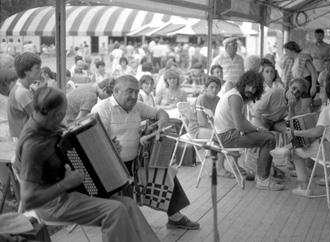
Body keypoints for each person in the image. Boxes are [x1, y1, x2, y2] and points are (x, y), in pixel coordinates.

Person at [14, 86, 159, 242]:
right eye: (64, 113)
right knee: (115, 210)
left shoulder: (49, 127)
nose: (64, 118)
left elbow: (75, 156)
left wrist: (108, 149)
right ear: (57, 115)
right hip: (53, 203)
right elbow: (29, 199)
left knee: (128, 204)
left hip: (73, 192)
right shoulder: (34, 146)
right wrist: (65, 183)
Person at [91, 75, 200, 230]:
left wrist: (160, 124)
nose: (134, 96)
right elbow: (94, 145)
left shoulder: (137, 106)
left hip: (135, 162)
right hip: (111, 169)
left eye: (136, 92)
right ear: (116, 90)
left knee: (165, 171)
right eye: (130, 92)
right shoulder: (102, 109)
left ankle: (175, 218)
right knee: (127, 217)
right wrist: (109, 149)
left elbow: (161, 113)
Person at [214, 70, 284, 191]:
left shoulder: (237, 95)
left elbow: (242, 123)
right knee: (269, 138)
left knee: (266, 136)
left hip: (227, 134)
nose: (251, 90)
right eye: (249, 85)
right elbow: (240, 125)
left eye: (255, 88)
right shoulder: (235, 97)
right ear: (243, 83)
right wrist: (257, 129)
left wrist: (256, 130)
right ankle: (262, 179)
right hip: (227, 137)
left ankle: (261, 175)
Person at [288, 79, 330, 195]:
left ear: (327, 94)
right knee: (314, 143)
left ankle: (304, 188)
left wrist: (297, 133)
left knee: (295, 153)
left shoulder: (328, 110)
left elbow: (317, 132)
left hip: (329, 152)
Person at [7, 52, 41, 138]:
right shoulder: (22, 93)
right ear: (27, 72)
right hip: (26, 139)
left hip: (23, 137)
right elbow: (39, 118)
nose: (41, 71)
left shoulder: (20, 87)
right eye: (37, 68)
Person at [250, 61, 287, 131]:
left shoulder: (278, 85)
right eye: (267, 72)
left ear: (274, 74)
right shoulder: (258, 87)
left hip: (278, 118)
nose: (270, 73)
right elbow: (254, 106)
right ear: (262, 74)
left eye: (272, 72)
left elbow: (284, 96)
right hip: (263, 117)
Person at [283, 41, 318, 113]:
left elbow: (313, 72)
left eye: (286, 51)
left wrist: (313, 86)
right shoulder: (293, 61)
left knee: (304, 110)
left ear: (292, 50)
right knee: (298, 109)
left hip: (307, 85)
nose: (286, 53)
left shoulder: (303, 58)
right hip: (298, 85)